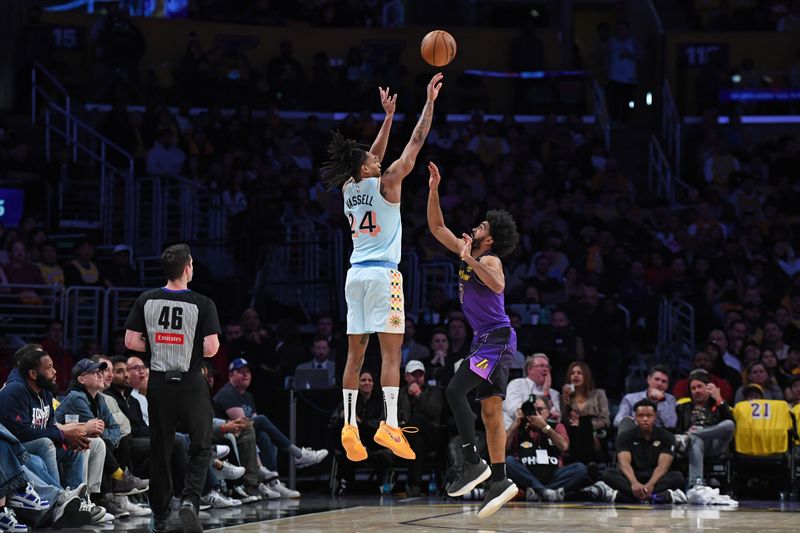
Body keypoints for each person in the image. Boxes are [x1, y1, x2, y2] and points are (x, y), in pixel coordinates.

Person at [324, 73, 443, 465]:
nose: (380, 158)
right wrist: (428, 102)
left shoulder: (348, 187)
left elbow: (368, 155)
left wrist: (388, 117)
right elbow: (417, 141)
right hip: (383, 275)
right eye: (375, 160)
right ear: (370, 169)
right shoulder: (389, 181)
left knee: (354, 356)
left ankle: (350, 425)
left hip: (354, 275)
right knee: (391, 355)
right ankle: (390, 423)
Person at [426, 160, 521, 518]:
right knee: (491, 411)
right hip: (485, 340)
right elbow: (436, 226)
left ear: (491, 237)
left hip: (496, 338)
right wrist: (434, 189)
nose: (475, 226)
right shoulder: (469, 253)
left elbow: (498, 284)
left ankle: (472, 461)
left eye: (481, 225)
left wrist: (471, 259)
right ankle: (499, 479)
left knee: (453, 391)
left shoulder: (491, 259)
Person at [124, 243, 221, 533]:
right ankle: (190, 500)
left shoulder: (146, 299)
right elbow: (213, 349)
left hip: (159, 382)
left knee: (162, 447)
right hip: (190, 380)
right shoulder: (203, 303)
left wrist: (158, 346)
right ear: (188, 268)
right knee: (202, 444)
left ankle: (160, 513)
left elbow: (130, 342)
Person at [587, 400, 686, 503]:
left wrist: (650, 484)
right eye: (641, 415)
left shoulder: (667, 436)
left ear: (655, 416)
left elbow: (663, 466)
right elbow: (624, 463)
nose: (645, 419)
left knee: (678, 477)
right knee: (608, 474)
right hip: (632, 477)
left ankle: (628, 497)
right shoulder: (625, 436)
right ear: (635, 417)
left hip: (656, 478)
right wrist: (634, 483)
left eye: (649, 415)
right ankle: (657, 497)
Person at [505, 396, 587, 502]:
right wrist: (514, 425)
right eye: (532, 410)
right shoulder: (518, 427)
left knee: (580, 468)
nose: (536, 413)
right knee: (508, 461)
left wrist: (544, 426)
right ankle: (544, 491)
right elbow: (503, 449)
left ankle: (537, 492)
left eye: (539, 410)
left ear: (548, 412)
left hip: (552, 474)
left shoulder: (556, 426)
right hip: (527, 475)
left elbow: (564, 446)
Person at [674, 370, 735, 488]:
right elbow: (678, 431)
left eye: (699, 387)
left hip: (714, 444)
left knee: (729, 424)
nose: (696, 390)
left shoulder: (718, 406)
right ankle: (696, 486)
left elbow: (731, 423)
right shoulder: (683, 408)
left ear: (708, 388)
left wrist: (719, 399)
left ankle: (694, 434)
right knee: (697, 440)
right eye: (693, 388)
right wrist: (686, 432)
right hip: (692, 445)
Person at [397, 360, 444, 496]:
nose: (417, 378)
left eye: (420, 375)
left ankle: (401, 441)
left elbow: (434, 412)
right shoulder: (400, 395)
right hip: (416, 441)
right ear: (406, 377)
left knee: (420, 419)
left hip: (433, 436)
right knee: (417, 440)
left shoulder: (434, 392)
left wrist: (419, 395)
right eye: (413, 375)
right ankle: (415, 485)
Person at [560, 362, 610, 463]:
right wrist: (565, 399)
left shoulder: (599, 394)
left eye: (579, 373)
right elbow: (563, 420)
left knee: (584, 425)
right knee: (575, 432)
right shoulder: (566, 397)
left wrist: (584, 425)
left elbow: (605, 420)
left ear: (586, 376)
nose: (575, 375)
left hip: (595, 434)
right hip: (573, 433)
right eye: (572, 373)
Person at [503, 354, 561, 430]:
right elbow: (514, 411)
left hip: (544, 435)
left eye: (547, 366)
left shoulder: (554, 393)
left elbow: (556, 419)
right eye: (541, 366)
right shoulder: (516, 384)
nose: (546, 369)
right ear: (529, 369)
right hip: (515, 433)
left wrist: (546, 393)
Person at [613, 365, 676, 432]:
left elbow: (671, 425)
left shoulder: (670, 399)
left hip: (658, 438)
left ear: (667, 385)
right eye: (657, 379)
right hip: (634, 435)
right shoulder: (630, 398)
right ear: (648, 379)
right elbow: (617, 421)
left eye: (664, 381)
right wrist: (639, 423)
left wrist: (661, 400)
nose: (659, 383)